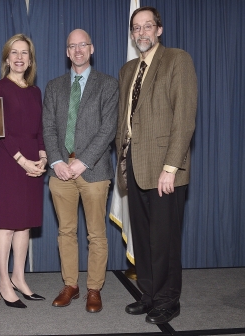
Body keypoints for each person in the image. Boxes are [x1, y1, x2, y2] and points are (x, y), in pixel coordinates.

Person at [116, 6, 197, 324]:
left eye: (147, 26)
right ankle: (148, 295)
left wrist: (171, 167)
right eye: (136, 28)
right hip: (134, 166)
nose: (141, 32)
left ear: (159, 30)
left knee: (165, 239)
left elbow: (185, 118)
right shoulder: (128, 70)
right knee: (145, 237)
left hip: (166, 170)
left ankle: (167, 300)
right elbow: (125, 123)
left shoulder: (178, 60)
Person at [42, 29, 118, 313]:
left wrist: (82, 161)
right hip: (60, 171)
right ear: (66, 52)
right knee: (66, 232)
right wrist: (57, 162)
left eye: (82, 45)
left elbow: (108, 128)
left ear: (91, 48)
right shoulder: (54, 86)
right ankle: (71, 285)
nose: (77, 50)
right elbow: (48, 127)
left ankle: (94, 288)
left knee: (96, 234)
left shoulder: (108, 85)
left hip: (94, 170)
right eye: (72, 46)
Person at [0, 34, 46, 309]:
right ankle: (3, 281)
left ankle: (19, 278)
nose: (20, 58)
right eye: (14, 52)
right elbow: (0, 131)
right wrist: (23, 160)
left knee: (25, 225)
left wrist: (43, 158)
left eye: (25, 53)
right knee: (7, 226)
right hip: (8, 163)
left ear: (30, 59)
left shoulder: (35, 91)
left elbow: (42, 129)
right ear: (6, 58)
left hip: (34, 163)